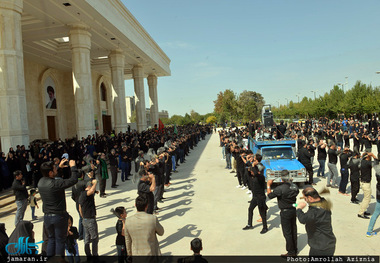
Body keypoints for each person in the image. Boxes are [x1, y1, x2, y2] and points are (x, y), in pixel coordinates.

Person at [38, 159, 78, 257]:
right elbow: (73, 180)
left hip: (47, 217)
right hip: (58, 217)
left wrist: (59, 168)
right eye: (54, 168)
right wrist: (73, 167)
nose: (56, 168)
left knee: (51, 239)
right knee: (60, 240)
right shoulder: (56, 184)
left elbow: (52, 177)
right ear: (50, 172)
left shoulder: (41, 182)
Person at [296, 187, 336, 256]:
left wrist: (299, 209)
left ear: (310, 198)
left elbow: (303, 219)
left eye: (305, 198)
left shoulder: (314, 211)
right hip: (329, 243)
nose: (305, 200)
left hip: (320, 247)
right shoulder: (323, 201)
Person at [267, 170, 299, 256]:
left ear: (281, 178)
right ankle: (295, 248)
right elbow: (296, 192)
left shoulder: (280, 189)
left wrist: (268, 185)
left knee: (287, 232)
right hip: (293, 209)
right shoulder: (294, 186)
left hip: (285, 212)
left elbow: (270, 196)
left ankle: (291, 252)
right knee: (294, 230)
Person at [242, 154, 268, 234]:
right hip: (255, 197)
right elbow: (249, 172)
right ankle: (249, 224)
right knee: (250, 209)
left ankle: (265, 227)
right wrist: (251, 166)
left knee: (262, 213)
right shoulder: (254, 176)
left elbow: (256, 173)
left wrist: (253, 166)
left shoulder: (260, 177)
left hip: (260, 197)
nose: (252, 173)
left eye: (253, 171)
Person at [79, 179, 99, 260]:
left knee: (87, 239)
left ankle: (89, 256)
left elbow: (80, 207)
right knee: (94, 238)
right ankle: (95, 256)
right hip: (90, 220)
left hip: (85, 219)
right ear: (88, 186)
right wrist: (95, 183)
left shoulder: (82, 195)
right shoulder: (85, 194)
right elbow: (91, 190)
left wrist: (83, 217)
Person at [358, 152, 378, 219]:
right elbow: (376, 163)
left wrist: (364, 154)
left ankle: (362, 210)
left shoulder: (362, 161)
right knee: (367, 198)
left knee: (366, 198)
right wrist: (373, 155)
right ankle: (361, 213)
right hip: (366, 183)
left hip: (363, 182)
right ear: (367, 157)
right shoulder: (367, 163)